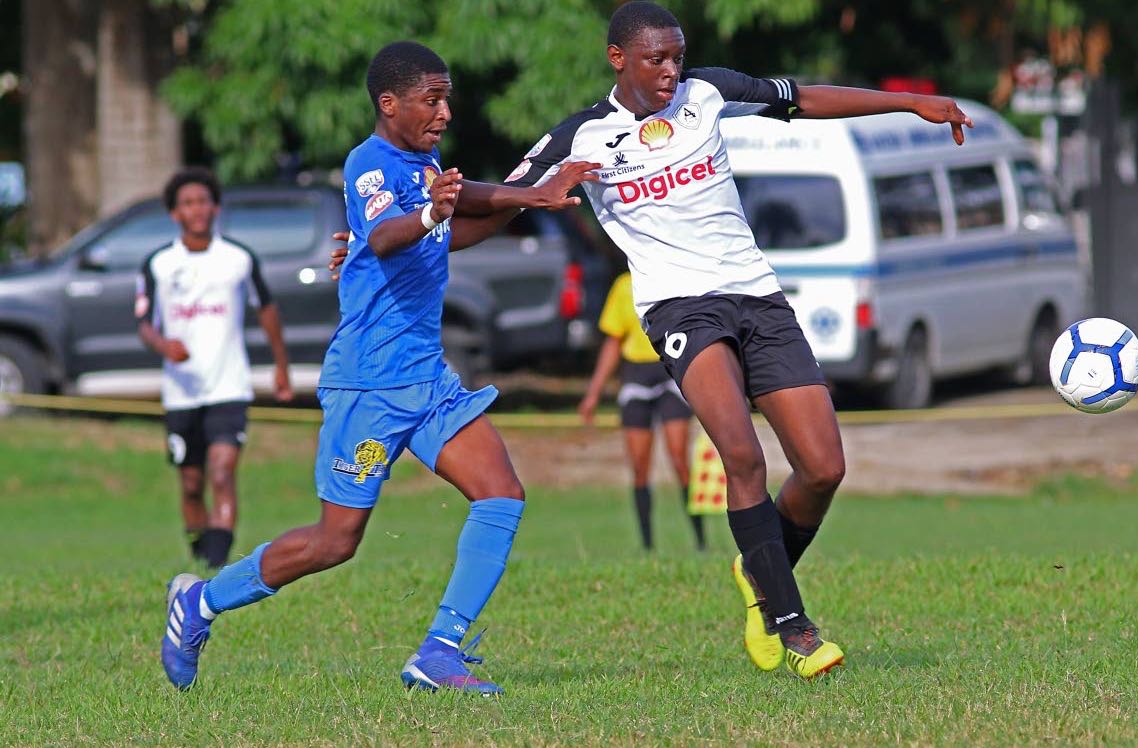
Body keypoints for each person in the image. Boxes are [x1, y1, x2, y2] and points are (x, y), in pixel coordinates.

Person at [504, 1, 973, 678]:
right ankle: (795, 628)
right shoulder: (581, 137)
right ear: (618, 59)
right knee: (742, 457)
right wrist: (432, 211)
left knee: (823, 468)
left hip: (757, 295)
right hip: (677, 309)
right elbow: (492, 200)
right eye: (655, 59)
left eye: (677, 56)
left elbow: (803, 97)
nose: (671, 71)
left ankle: (758, 569)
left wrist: (906, 106)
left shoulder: (709, 93)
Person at [158, 41, 598, 694]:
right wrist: (437, 210)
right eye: (432, 99)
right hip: (370, 386)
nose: (445, 111)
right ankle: (200, 603)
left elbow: (457, 219)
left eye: (447, 98)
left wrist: (530, 197)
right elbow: (389, 234)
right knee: (336, 542)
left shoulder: (424, 161)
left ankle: (440, 650)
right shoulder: (369, 163)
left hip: (427, 380)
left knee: (501, 493)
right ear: (389, 103)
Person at [136, 168, 292, 570]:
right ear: (175, 213)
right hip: (182, 392)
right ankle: (199, 554)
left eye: (203, 201)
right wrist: (164, 345)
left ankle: (216, 569)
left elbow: (267, 309)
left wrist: (281, 367)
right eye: (188, 203)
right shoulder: (159, 264)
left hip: (229, 386)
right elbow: (144, 324)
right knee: (191, 484)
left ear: (216, 207)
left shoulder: (237, 259)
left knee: (222, 473)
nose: (197, 209)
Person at [579, 270, 705, 551]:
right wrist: (593, 393)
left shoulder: (672, 278)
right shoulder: (623, 285)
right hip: (635, 376)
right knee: (639, 468)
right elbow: (613, 341)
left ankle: (700, 542)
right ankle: (647, 546)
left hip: (669, 372)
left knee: (679, 461)